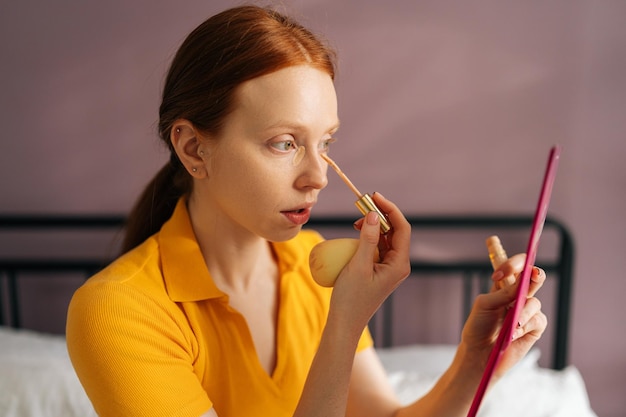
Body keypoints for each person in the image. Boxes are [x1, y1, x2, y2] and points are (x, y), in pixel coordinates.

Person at [66, 5, 547, 417]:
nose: (317, 176)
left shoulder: (313, 266)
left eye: (326, 142)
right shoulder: (118, 311)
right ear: (194, 149)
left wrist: (477, 360)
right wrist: (345, 323)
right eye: (284, 143)